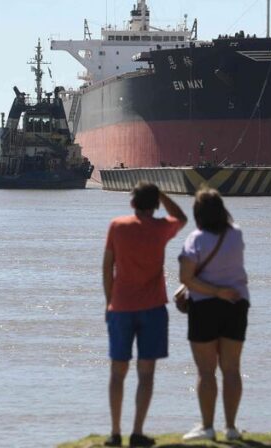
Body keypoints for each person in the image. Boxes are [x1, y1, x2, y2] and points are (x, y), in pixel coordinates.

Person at [102, 181, 188, 447]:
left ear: (132, 204)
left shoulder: (117, 226)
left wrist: (109, 302)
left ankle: (115, 433)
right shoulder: (162, 228)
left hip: (121, 308)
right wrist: (162, 195)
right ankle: (137, 432)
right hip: (153, 309)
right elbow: (182, 218)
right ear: (155, 204)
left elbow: (107, 267)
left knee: (118, 373)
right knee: (146, 373)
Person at [177, 188, 249, 442]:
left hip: (204, 307)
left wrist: (215, 291)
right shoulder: (236, 235)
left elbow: (186, 278)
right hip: (236, 305)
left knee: (206, 371)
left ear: (197, 214)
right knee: (232, 369)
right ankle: (231, 427)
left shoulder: (194, 240)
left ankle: (207, 427)